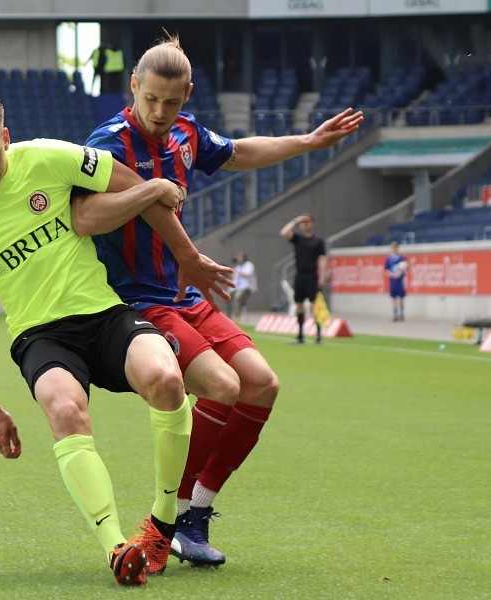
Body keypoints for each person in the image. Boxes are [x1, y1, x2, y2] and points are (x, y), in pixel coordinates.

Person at [73, 33, 363, 567]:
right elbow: (83, 217)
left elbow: (239, 152)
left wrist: (306, 142)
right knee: (223, 386)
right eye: (150, 99)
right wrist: (153, 203)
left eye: (172, 102)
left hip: (183, 293)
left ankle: (194, 515)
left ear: (186, 97)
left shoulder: (185, 133)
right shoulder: (107, 143)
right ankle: (166, 519)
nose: (159, 112)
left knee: (261, 384)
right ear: (133, 86)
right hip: (137, 302)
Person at [0, 86, 234, 586]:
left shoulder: (50, 157)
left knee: (166, 379)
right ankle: (116, 546)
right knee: (66, 410)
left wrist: (185, 253)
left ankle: (162, 524)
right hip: (40, 337)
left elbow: (137, 186)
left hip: (104, 314)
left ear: (5, 138)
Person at [280, 213, 328, 343]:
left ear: (313, 224)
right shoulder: (298, 238)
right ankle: (300, 335)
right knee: (299, 304)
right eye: (303, 222)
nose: (305, 224)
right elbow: (284, 232)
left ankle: (318, 335)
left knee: (315, 305)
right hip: (299, 275)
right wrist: (296, 220)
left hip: (312, 275)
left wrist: (322, 276)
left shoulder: (318, 241)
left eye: (308, 222)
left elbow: (322, 259)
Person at [230, 252, 257, 322]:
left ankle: (237, 316)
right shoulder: (237, 266)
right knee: (227, 296)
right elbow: (234, 277)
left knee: (237, 297)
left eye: (240, 257)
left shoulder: (249, 265)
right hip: (236, 286)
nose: (238, 259)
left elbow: (247, 274)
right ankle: (228, 316)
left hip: (246, 287)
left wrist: (236, 271)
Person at [384, 241, 408, 321]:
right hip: (393, 281)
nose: (394, 249)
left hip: (400, 281)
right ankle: (395, 314)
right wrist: (392, 274)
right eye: (393, 248)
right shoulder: (389, 259)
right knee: (394, 298)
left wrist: (401, 272)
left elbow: (405, 267)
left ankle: (402, 314)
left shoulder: (402, 258)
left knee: (401, 297)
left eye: (396, 247)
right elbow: (386, 270)